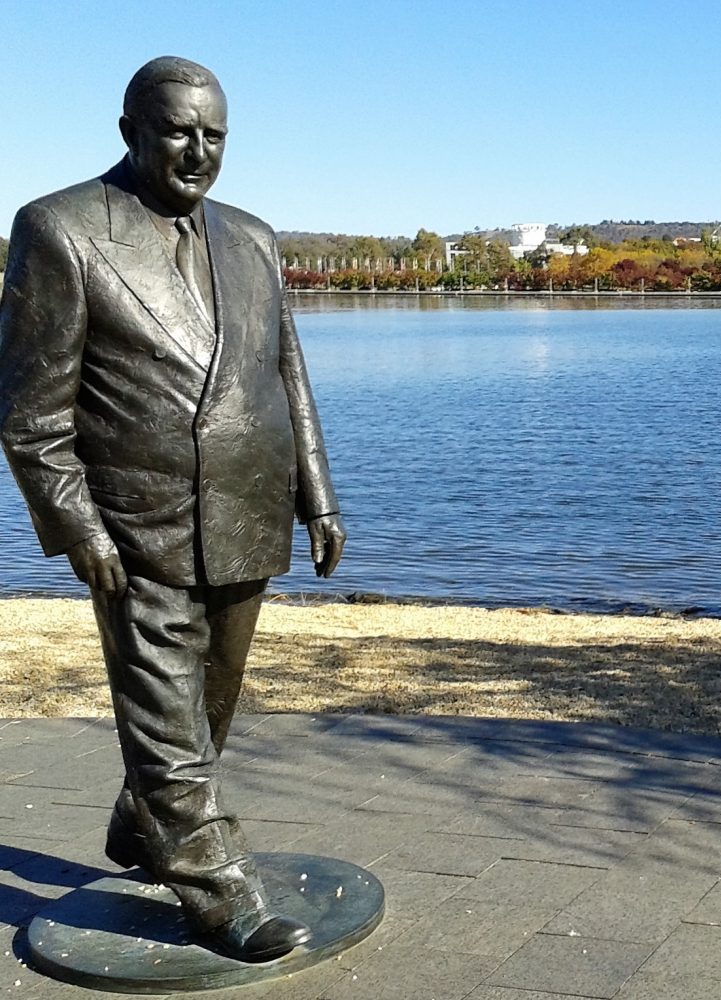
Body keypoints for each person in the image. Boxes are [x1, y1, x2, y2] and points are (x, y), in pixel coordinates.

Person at [0, 56, 346, 962]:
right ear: (131, 132)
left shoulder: (252, 237)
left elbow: (286, 373)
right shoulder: (60, 228)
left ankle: (144, 820)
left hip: (247, 512)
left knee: (209, 704)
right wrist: (76, 524)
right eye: (178, 132)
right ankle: (220, 892)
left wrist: (317, 496)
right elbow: (30, 413)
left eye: (214, 136)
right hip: (136, 525)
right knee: (167, 712)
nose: (198, 152)